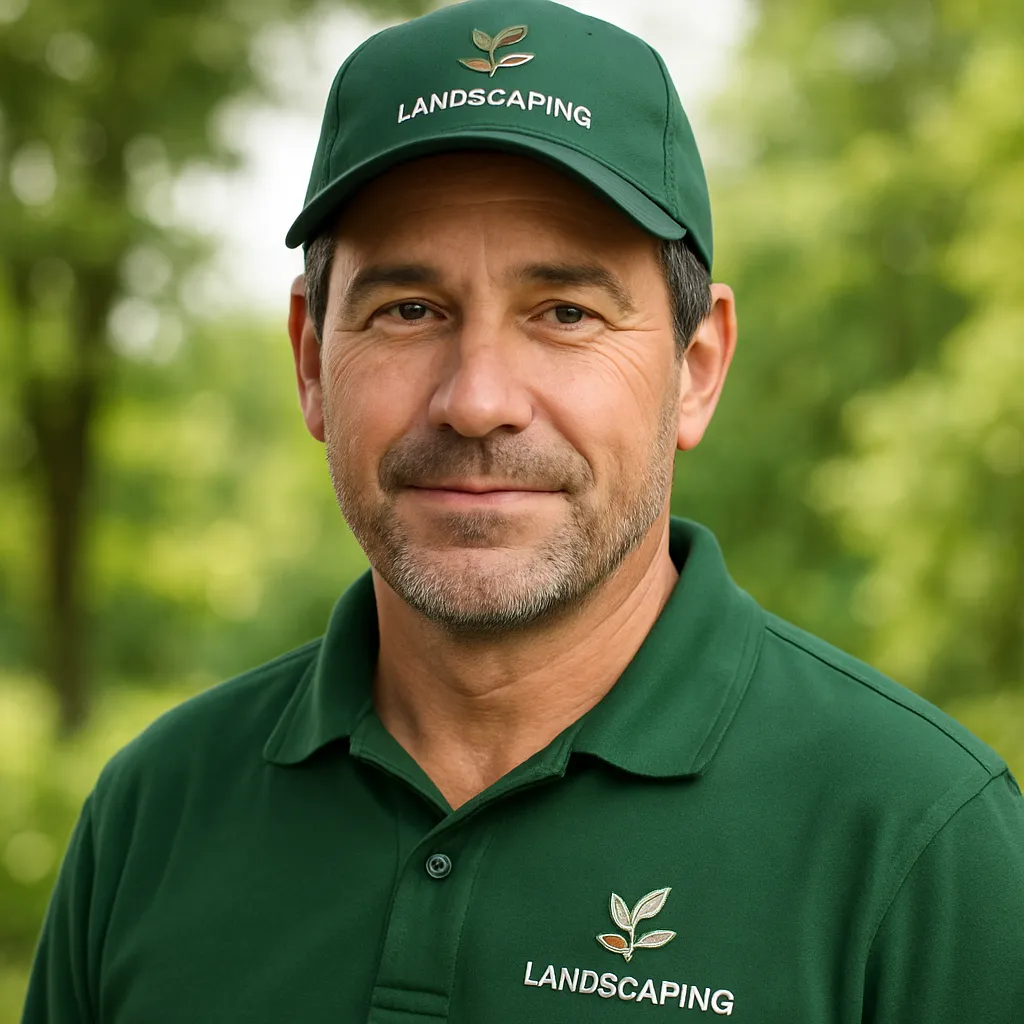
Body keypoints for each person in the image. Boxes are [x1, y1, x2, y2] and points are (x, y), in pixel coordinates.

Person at [22, 1, 1024, 1021]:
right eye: (409, 310)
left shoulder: (923, 844)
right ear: (311, 360)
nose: (477, 400)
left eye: (566, 313)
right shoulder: (153, 813)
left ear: (696, 369)